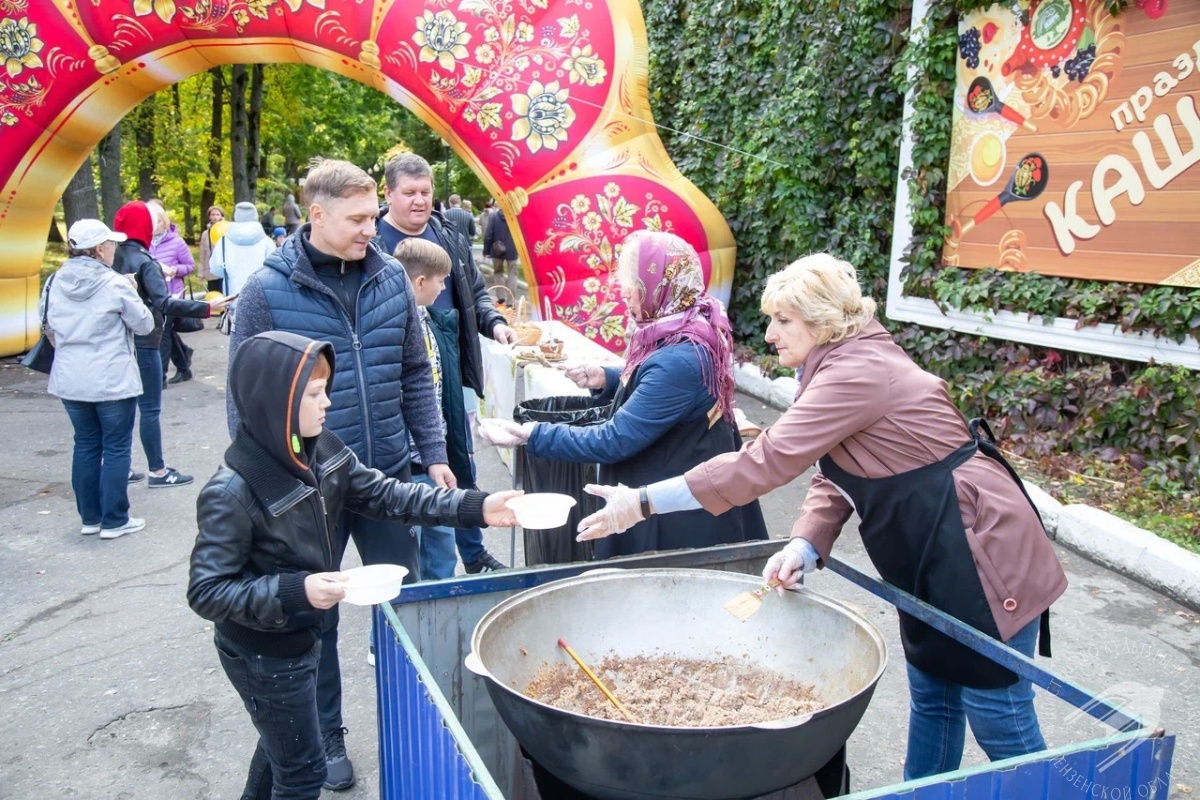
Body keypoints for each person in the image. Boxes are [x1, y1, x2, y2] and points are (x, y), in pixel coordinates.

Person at [576, 253, 1068, 779]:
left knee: (999, 718)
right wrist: (805, 543)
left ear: (823, 318)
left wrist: (643, 501)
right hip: (935, 551)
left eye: (783, 320)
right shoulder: (840, 360)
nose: (769, 335)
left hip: (982, 552)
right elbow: (837, 469)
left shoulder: (856, 372)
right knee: (934, 698)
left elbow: (763, 461)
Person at [188, 330, 519, 800]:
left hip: (303, 635)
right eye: (314, 394)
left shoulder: (320, 449)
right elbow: (207, 591)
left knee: (282, 741)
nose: (327, 403)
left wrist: (475, 507)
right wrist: (294, 591)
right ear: (274, 400)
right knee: (301, 773)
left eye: (326, 389)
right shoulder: (232, 491)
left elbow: (389, 494)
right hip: (264, 652)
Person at [228, 157, 450, 790]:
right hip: (306, 490)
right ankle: (325, 735)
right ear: (316, 215)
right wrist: (265, 493)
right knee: (312, 617)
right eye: (356, 219)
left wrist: (431, 452)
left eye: (371, 215)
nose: (369, 228)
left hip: (384, 478)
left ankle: (418, 715)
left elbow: (414, 371)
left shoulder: (389, 278)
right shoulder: (267, 291)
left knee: (403, 603)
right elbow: (245, 398)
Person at [480, 230, 768, 557]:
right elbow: (658, 388)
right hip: (677, 489)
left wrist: (532, 434)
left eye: (634, 282)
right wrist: (609, 378)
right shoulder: (684, 325)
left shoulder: (679, 359)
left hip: (676, 516)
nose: (624, 291)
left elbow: (615, 439)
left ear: (660, 287)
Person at [375, 152, 516, 576]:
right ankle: (419, 568)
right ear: (389, 193)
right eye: (410, 193)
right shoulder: (374, 242)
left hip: (452, 371)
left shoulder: (448, 233)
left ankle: (472, 552)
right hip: (402, 378)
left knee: (460, 461)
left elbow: (475, 291)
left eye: (426, 192)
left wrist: (494, 323)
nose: (420, 201)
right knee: (418, 470)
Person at [41, 219, 154, 539]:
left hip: (71, 377)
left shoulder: (53, 282)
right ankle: (116, 519)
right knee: (116, 447)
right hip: (111, 378)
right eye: (111, 245)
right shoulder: (115, 283)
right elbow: (144, 324)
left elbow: (47, 325)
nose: (114, 250)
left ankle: (90, 517)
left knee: (86, 444)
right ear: (99, 249)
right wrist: (133, 290)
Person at [113, 201, 225, 489]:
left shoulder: (110, 258)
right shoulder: (145, 262)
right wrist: (205, 308)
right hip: (146, 342)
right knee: (149, 409)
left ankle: (120, 465)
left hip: (117, 344)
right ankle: (158, 471)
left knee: (121, 407)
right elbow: (164, 303)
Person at [394, 237, 477, 580]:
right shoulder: (397, 325)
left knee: (442, 536)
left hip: (433, 454)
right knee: (419, 546)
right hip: (407, 460)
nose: (444, 288)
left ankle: (441, 602)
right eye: (441, 281)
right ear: (420, 282)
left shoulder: (430, 320)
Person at [148, 203, 198, 385]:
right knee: (165, 332)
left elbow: (191, 266)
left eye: (156, 220)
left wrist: (175, 270)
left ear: (163, 222)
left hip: (172, 294)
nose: (153, 224)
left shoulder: (176, 242)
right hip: (152, 294)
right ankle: (184, 365)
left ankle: (160, 377)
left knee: (163, 333)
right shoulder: (144, 242)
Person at [209, 201, 276, 301]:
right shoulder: (267, 242)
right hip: (261, 300)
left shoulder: (223, 242)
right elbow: (274, 272)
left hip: (232, 299)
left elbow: (215, 269)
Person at [483, 206, 519, 294]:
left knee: (498, 273)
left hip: (497, 249)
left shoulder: (494, 216)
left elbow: (488, 235)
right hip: (513, 249)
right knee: (512, 274)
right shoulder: (516, 216)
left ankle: (501, 298)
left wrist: (486, 251)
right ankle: (511, 301)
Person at [197, 205, 226, 293]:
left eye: (217, 214)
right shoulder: (205, 234)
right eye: (213, 214)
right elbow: (203, 255)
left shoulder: (227, 231)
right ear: (209, 216)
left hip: (225, 270)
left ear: (221, 216)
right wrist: (201, 273)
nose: (215, 217)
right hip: (211, 271)